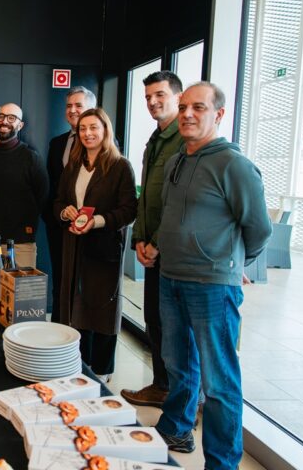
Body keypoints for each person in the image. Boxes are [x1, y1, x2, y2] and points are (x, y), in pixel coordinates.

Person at [155, 82, 271, 469]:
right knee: (178, 364)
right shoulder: (177, 161)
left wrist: (232, 264)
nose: (187, 114)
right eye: (184, 106)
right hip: (171, 276)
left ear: (218, 114)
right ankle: (176, 427)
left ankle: (221, 463)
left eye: (198, 108)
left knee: (219, 382)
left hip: (212, 287)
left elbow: (258, 228)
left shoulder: (234, 165)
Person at [54, 108, 137, 383]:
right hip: (74, 245)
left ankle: (101, 369)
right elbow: (57, 202)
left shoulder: (119, 166)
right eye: (83, 129)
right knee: (75, 306)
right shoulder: (73, 165)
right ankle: (80, 364)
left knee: (101, 308)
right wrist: (64, 211)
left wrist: (99, 221)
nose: (88, 133)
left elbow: (129, 210)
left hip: (103, 246)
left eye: (94, 128)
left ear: (105, 131)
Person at [120, 71, 184, 408]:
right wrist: (140, 240)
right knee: (155, 322)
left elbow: (178, 202)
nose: (152, 102)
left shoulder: (184, 140)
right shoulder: (155, 139)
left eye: (159, 95)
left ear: (178, 96)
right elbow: (148, 200)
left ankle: (180, 398)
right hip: (151, 250)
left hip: (173, 253)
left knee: (175, 330)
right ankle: (161, 386)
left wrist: (155, 242)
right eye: (147, 97)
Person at [46, 86, 97, 322]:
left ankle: (79, 335)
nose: (73, 110)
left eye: (79, 105)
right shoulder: (57, 143)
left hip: (90, 226)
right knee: (60, 280)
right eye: (69, 106)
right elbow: (52, 184)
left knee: (85, 286)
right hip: (59, 223)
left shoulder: (105, 144)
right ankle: (58, 327)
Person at [0, 103, 48, 268]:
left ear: (20, 125)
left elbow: (43, 198)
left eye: (12, 118)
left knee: (21, 293)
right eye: (1, 116)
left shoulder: (31, 158)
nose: (5, 121)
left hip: (21, 244)